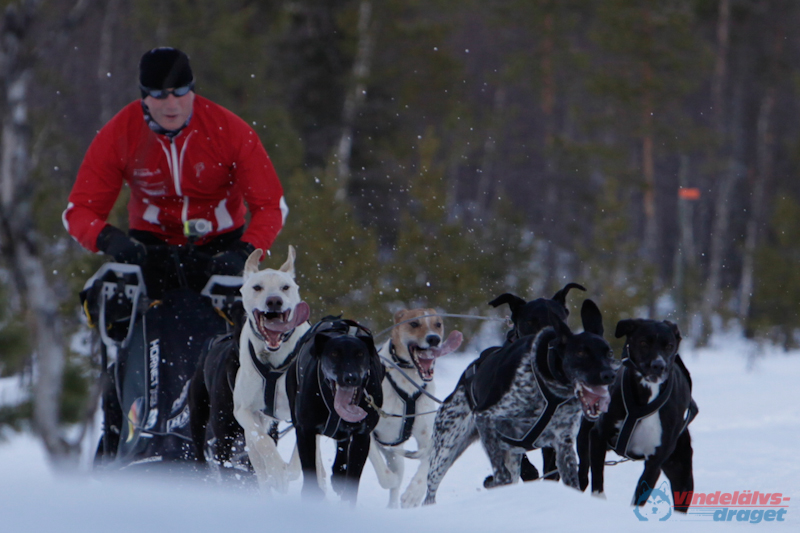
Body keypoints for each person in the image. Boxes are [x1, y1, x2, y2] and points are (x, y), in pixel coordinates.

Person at [63, 47, 287, 296]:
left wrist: (247, 251)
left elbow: (271, 206)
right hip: (150, 248)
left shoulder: (230, 131)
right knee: (112, 310)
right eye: (159, 94)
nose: (172, 104)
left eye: (180, 92)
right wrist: (110, 240)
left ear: (192, 90)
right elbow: (79, 211)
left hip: (223, 247)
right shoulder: (121, 133)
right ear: (144, 97)